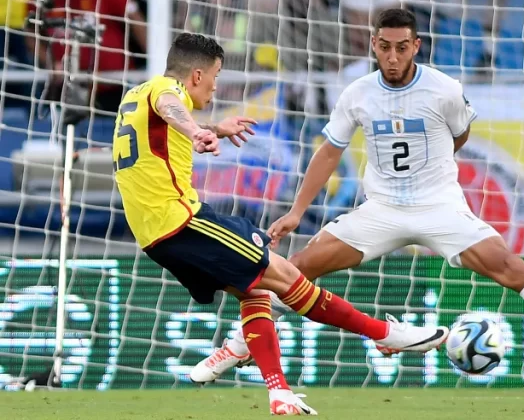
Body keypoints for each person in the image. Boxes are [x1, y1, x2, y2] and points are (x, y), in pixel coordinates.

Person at [187, 8, 524, 382]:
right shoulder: (358, 93)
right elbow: (328, 152)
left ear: (416, 45)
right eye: (384, 47)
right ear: (373, 44)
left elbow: (460, 133)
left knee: (507, 265)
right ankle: (237, 345)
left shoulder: (444, 90)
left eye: (401, 47)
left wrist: (433, 167)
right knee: (295, 269)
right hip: (380, 211)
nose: (392, 56)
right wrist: (297, 212)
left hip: (439, 207)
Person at [113, 33, 449, 415]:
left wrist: (214, 127)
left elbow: (162, 117)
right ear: (197, 74)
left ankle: (278, 390)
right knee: (287, 277)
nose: (215, 85)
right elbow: (170, 104)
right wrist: (197, 131)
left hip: (156, 236)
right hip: (182, 221)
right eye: (216, 76)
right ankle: (388, 335)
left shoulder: (134, 95)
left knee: (254, 290)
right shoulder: (167, 90)